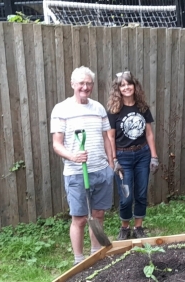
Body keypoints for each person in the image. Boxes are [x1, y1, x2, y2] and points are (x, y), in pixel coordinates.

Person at [50, 66, 114, 265]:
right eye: (81, 83)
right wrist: (73, 156)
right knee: (79, 218)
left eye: (89, 83)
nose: (85, 87)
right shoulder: (61, 109)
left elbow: (106, 138)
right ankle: (79, 260)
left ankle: (95, 253)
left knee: (98, 214)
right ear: (73, 85)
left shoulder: (98, 108)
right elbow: (56, 144)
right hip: (76, 173)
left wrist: (111, 166)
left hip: (101, 171)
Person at [107, 71, 159, 240]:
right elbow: (111, 137)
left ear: (134, 86)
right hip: (123, 158)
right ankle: (124, 227)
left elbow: (149, 134)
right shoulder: (114, 110)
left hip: (142, 155)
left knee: (141, 194)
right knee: (126, 196)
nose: (126, 87)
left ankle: (138, 227)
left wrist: (154, 156)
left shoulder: (143, 107)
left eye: (129, 84)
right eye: (122, 85)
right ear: (118, 89)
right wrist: (114, 159)